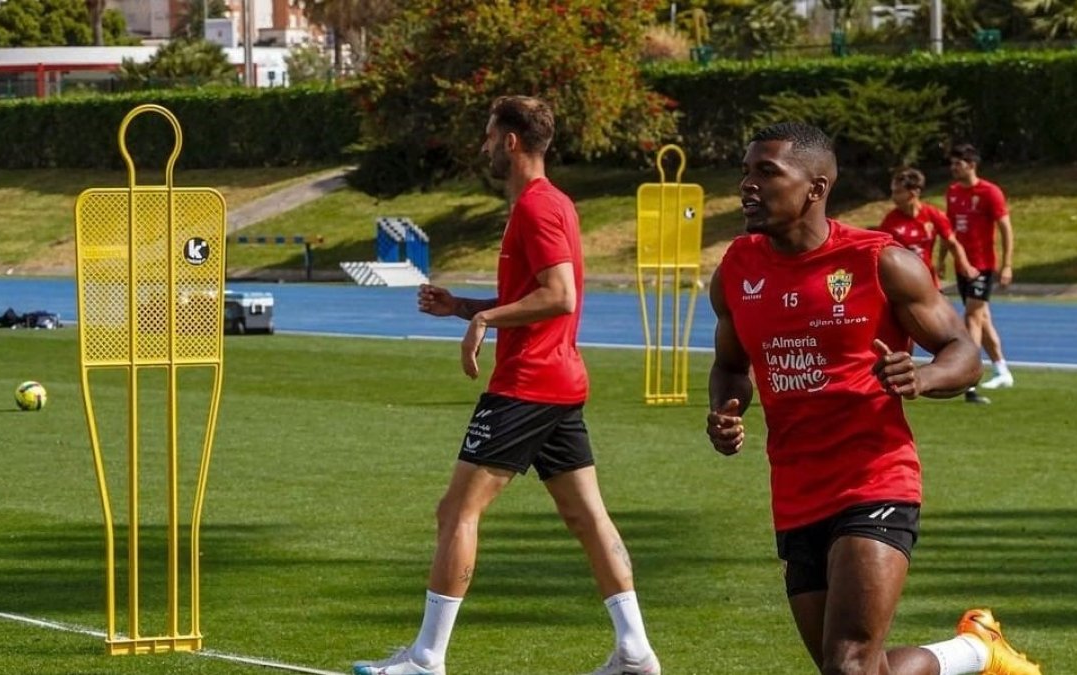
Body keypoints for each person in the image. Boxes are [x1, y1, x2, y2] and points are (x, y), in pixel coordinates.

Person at [705, 122, 1041, 675]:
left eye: (766, 173)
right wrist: (726, 409)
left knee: (850, 665)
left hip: (875, 479)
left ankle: (975, 651)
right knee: (864, 669)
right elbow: (730, 366)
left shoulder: (879, 261)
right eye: (745, 172)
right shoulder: (737, 270)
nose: (748, 186)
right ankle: (976, 651)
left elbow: (962, 349)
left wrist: (924, 377)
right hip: (794, 492)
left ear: (815, 188)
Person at [352, 96, 661, 675]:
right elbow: (537, 295)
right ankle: (636, 652)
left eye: (490, 135)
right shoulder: (551, 203)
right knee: (587, 518)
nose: (484, 146)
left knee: (456, 512)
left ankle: (426, 658)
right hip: (559, 381)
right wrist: (462, 306)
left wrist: (483, 321)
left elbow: (560, 296)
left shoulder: (536, 209)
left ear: (512, 141)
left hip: (528, 384)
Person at [943, 144, 1016, 402]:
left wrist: (1006, 264)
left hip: (982, 266)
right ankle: (1002, 370)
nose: (953, 168)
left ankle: (968, 375)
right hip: (962, 267)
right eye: (952, 164)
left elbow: (1006, 229)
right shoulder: (952, 192)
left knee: (972, 318)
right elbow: (948, 230)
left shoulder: (990, 192)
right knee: (983, 320)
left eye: (958, 164)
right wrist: (942, 259)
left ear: (971, 164)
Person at [878, 167, 978, 288]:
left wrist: (966, 266)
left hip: (927, 279)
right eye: (893, 192)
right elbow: (881, 252)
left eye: (898, 192)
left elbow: (952, 243)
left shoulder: (933, 215)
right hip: (901, 282)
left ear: (914, 192)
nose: (893, 197)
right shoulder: (890, 221)